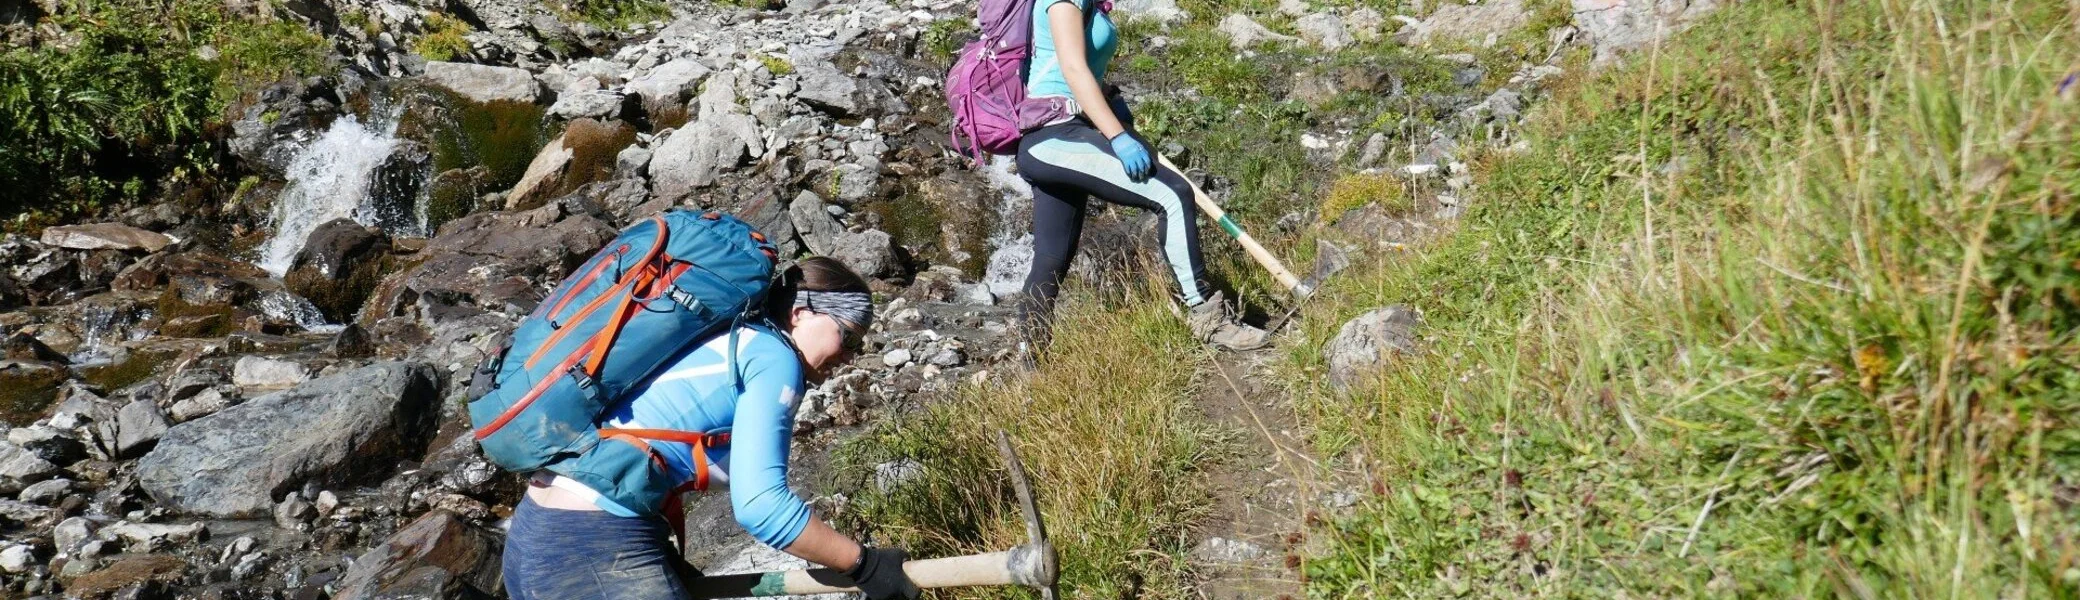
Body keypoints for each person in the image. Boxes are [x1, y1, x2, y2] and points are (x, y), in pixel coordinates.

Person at [501, 257, 920, 600]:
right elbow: (761, 508)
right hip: (591, 548)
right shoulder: (774, 359)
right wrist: (865, 565)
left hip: (535, 536)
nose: (850, 355)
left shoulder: (733, 339)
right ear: (800, 313)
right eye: (847, 336)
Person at [1013, 0, 1270, 350]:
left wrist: (1111, 104)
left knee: (1051, 257)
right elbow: (1072, 70)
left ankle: (1033, 365)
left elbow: (1078, 67)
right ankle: (1210, 322)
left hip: (1072, 133)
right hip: (1054, 135)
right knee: (1173, 194)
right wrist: (1117, 137)